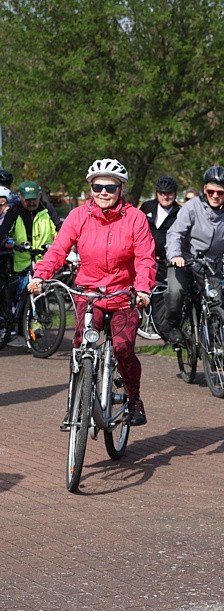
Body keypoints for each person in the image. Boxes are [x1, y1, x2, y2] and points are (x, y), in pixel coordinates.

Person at [28, 158, 155, 426]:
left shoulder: (135, 218)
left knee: (122, 348)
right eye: (98, 187)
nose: (104, 193)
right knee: (79, 347)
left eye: (110, 187)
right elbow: (58, 250)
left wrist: (142, 289)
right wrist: (41, 275)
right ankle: (74, 404)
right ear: (91, 189)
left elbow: (145, 258)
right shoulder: (78, 216)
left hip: (125, 296)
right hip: (89, 295)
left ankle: (134, 399)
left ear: (121, 188)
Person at [164, 166, 224, 347]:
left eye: (220, 192)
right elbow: (175, 233)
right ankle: (174, 326)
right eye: (210, 191)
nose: (215, 195)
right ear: (204, 189)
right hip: (185, 261)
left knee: (216, 303)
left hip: (212, 265)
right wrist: (176, 255)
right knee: (175, 291)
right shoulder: (192, 207)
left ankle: (217, 350)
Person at [0, 181, 60, 345]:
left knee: (39, 293)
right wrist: (6, 240)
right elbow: (3, 231)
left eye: (34, 198)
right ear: (20, 197)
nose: (31, 202)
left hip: (43, 259)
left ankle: (34, 326)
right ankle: (15, 326)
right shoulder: (14, 211)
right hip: (21, 260)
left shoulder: (47, 208)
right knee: (18, 293)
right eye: (27, 199)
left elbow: (59, 227)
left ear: (39, 196)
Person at [138, 175, 181, 341]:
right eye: (162, 193)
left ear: (175, 194)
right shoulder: (147, 207)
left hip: (166, 262)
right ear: (157, 193)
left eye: (169, 193)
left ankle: (169, 334)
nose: (165, 196)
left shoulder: (180, 212)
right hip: (145, 259)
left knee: (162, 299)